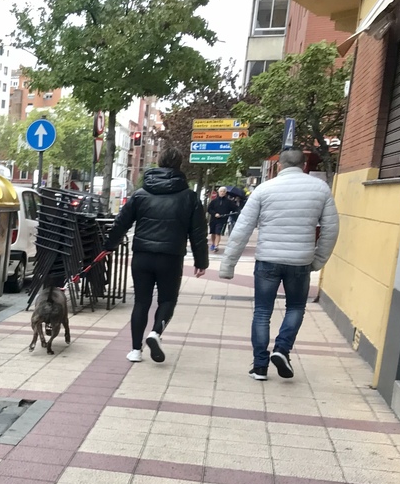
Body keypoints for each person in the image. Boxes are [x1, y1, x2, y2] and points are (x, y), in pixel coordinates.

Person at [218, 149, 339, 381]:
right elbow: (331, 229)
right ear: (304, 165)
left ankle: (260, 366)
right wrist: (318, 259)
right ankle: (282, 350)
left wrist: (228, 265)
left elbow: (242, 228)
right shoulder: (320, 189)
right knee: (295, 308)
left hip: (267, 260)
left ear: (280, 165)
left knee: (262, 311)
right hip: (300, 260)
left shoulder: (264, 189)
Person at [102, 148, 208, 364]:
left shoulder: (140, 194)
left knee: (141, 302)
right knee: (168, 299)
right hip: (171, 256)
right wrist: (201, 261)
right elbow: (198, 233)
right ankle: (156, 332)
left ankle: (135, 350)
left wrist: (108, 246)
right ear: (180, 166)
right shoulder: (189, 197)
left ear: (158, 163)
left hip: (142, 255)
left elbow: (122, 222)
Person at [207, 186, 235, 253]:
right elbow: (209, 209)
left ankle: (216, 246)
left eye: (223, 191)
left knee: (218, 233)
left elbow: (235, 208)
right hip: (213, 219)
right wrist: (214, 214)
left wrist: (234, 212)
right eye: (221, 191)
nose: (222, 193)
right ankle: (213, 244)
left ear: (225, 193)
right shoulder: (214, 201)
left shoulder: (228, 202)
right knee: (213, 233)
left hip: (222, 220)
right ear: (218, 192)